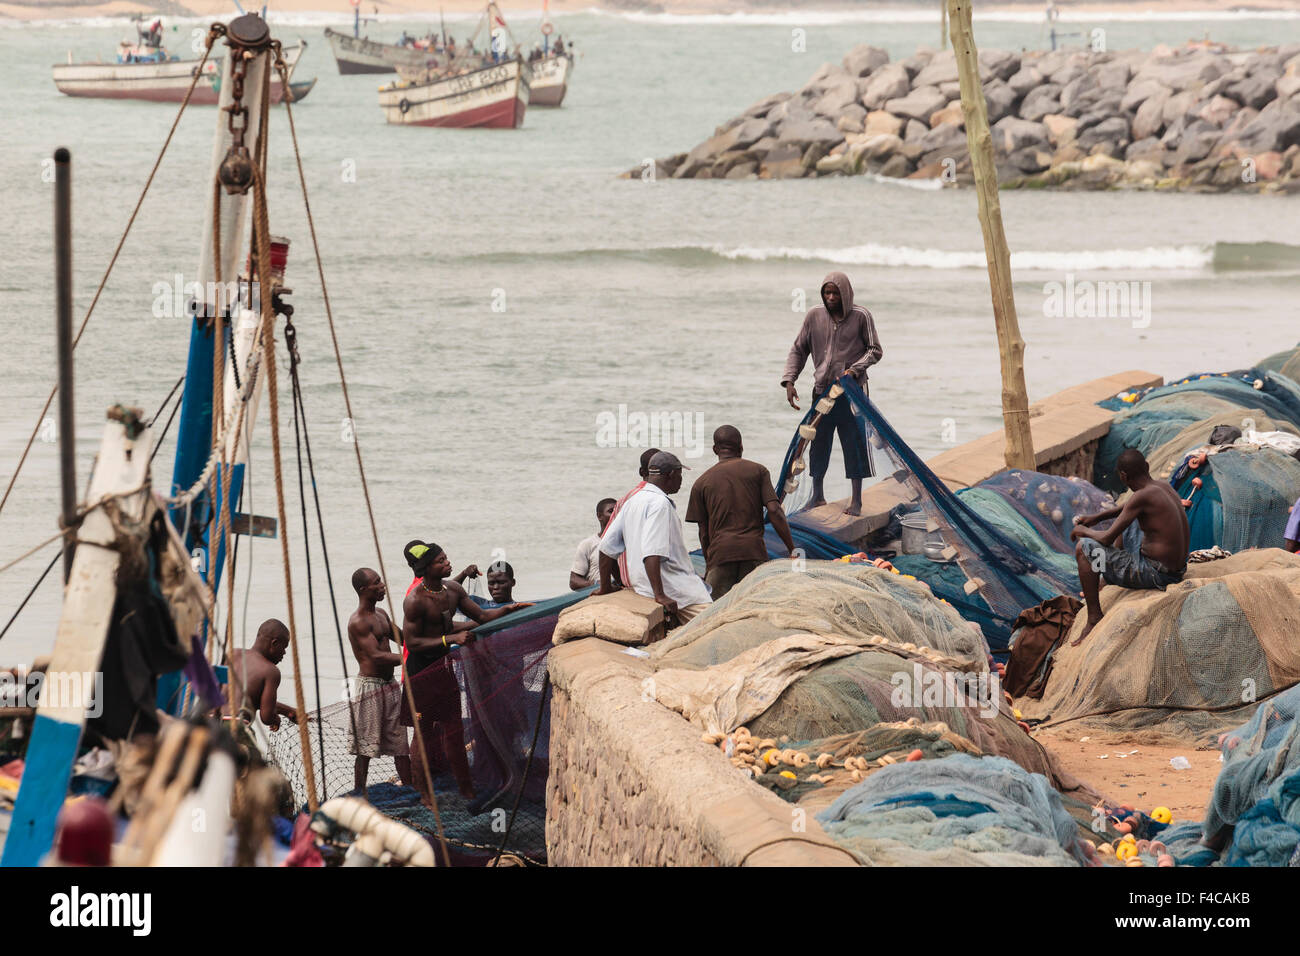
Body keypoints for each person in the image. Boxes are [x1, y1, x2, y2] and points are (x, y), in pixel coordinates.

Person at [400, 541, 523, 800]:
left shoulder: (453, 589)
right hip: (420, 675)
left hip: (444, 671)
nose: (448, 563)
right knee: (422, 735)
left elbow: (483, 617)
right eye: (441, 561)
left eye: (446, 558)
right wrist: (450, 640)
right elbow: (411, 642)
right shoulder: (414, 600)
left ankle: (467, 791)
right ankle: (424, 795)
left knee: (454, 731)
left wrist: (510, 610)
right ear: (427, 568)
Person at [781, 271, 883, 516]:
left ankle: (856, 501)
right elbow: (798, 349)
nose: (830, 297)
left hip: (851, 393)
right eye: (827, 293)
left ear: (845, 294)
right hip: (822, 392)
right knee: (817, 443)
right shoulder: (814, 315)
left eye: (835, 293)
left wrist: (854, 369)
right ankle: (817, 496)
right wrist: (789, 380)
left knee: (854, 444)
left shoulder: (861, 316)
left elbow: (875, 350)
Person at [1070, 448, 1190, 644]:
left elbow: (1107, 538)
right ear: (1147, 467)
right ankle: (1109, 574)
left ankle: (1093, 617)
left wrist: (1083, 531)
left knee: (1083, 548)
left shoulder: (1140, 497)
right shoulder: (1163, 487)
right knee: (1129, 520)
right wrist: (1096, 518)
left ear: (1123, 476)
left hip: (1155, 573)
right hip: (1175, 568)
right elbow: (1127, 509)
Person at [598, 451, 712, 626]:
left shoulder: (632, 501)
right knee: (716, 626)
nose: (681, 481)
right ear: (671, 475)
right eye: (680, 475)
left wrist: (605, 587)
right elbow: (652, 553)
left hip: (642, 587)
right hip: (678, 591)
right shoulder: (660, 504)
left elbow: (606, 546)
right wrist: (660, 595)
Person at [686, 426, 796, 599]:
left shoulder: (701, 483)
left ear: (715, 449)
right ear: (741, 446)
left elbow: (704, 532)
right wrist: (792, 548)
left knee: (718, 612)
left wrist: (710, 565)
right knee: (754, 606)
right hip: (753, 552)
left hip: (720, 556)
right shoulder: (758, 471)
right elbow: (774, 510)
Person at [346, 568, 411, 796]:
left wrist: (434, 640)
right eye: (376, 582)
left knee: (401, 745)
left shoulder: (382, 614)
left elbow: (404, 639)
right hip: (370, 689)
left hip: (390, 685)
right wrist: (407, 660)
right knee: (365, 749)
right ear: (364, 590)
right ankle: (358, 796)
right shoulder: (358, 622)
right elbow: (376, 656)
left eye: (380, 580)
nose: (382, 585)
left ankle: (411, 793)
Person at [227, 620, 298, 743]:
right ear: (274, 643)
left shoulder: (232, 653)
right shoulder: (271, 671)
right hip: (234, 727)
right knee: (256, 762)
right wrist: (275, 719)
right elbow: (266, 717)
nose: (284, 653)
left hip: (208, 722)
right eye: (284, 647)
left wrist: (288, 711)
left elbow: (246, 697)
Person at [603, 448, 660, 585]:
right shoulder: (656, 501)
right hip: (646, 582)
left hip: (633, 580)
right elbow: (606, 547)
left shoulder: (626, 500)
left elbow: (606, 546)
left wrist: (615, 583)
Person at [570, 498, 617, 590]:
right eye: (611, 511)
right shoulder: (587, 544)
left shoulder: (628, 542)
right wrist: (596, 583)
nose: (615, 515)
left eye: (618, 511)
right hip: (599, 592)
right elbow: (574, 581)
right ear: (599, 516)